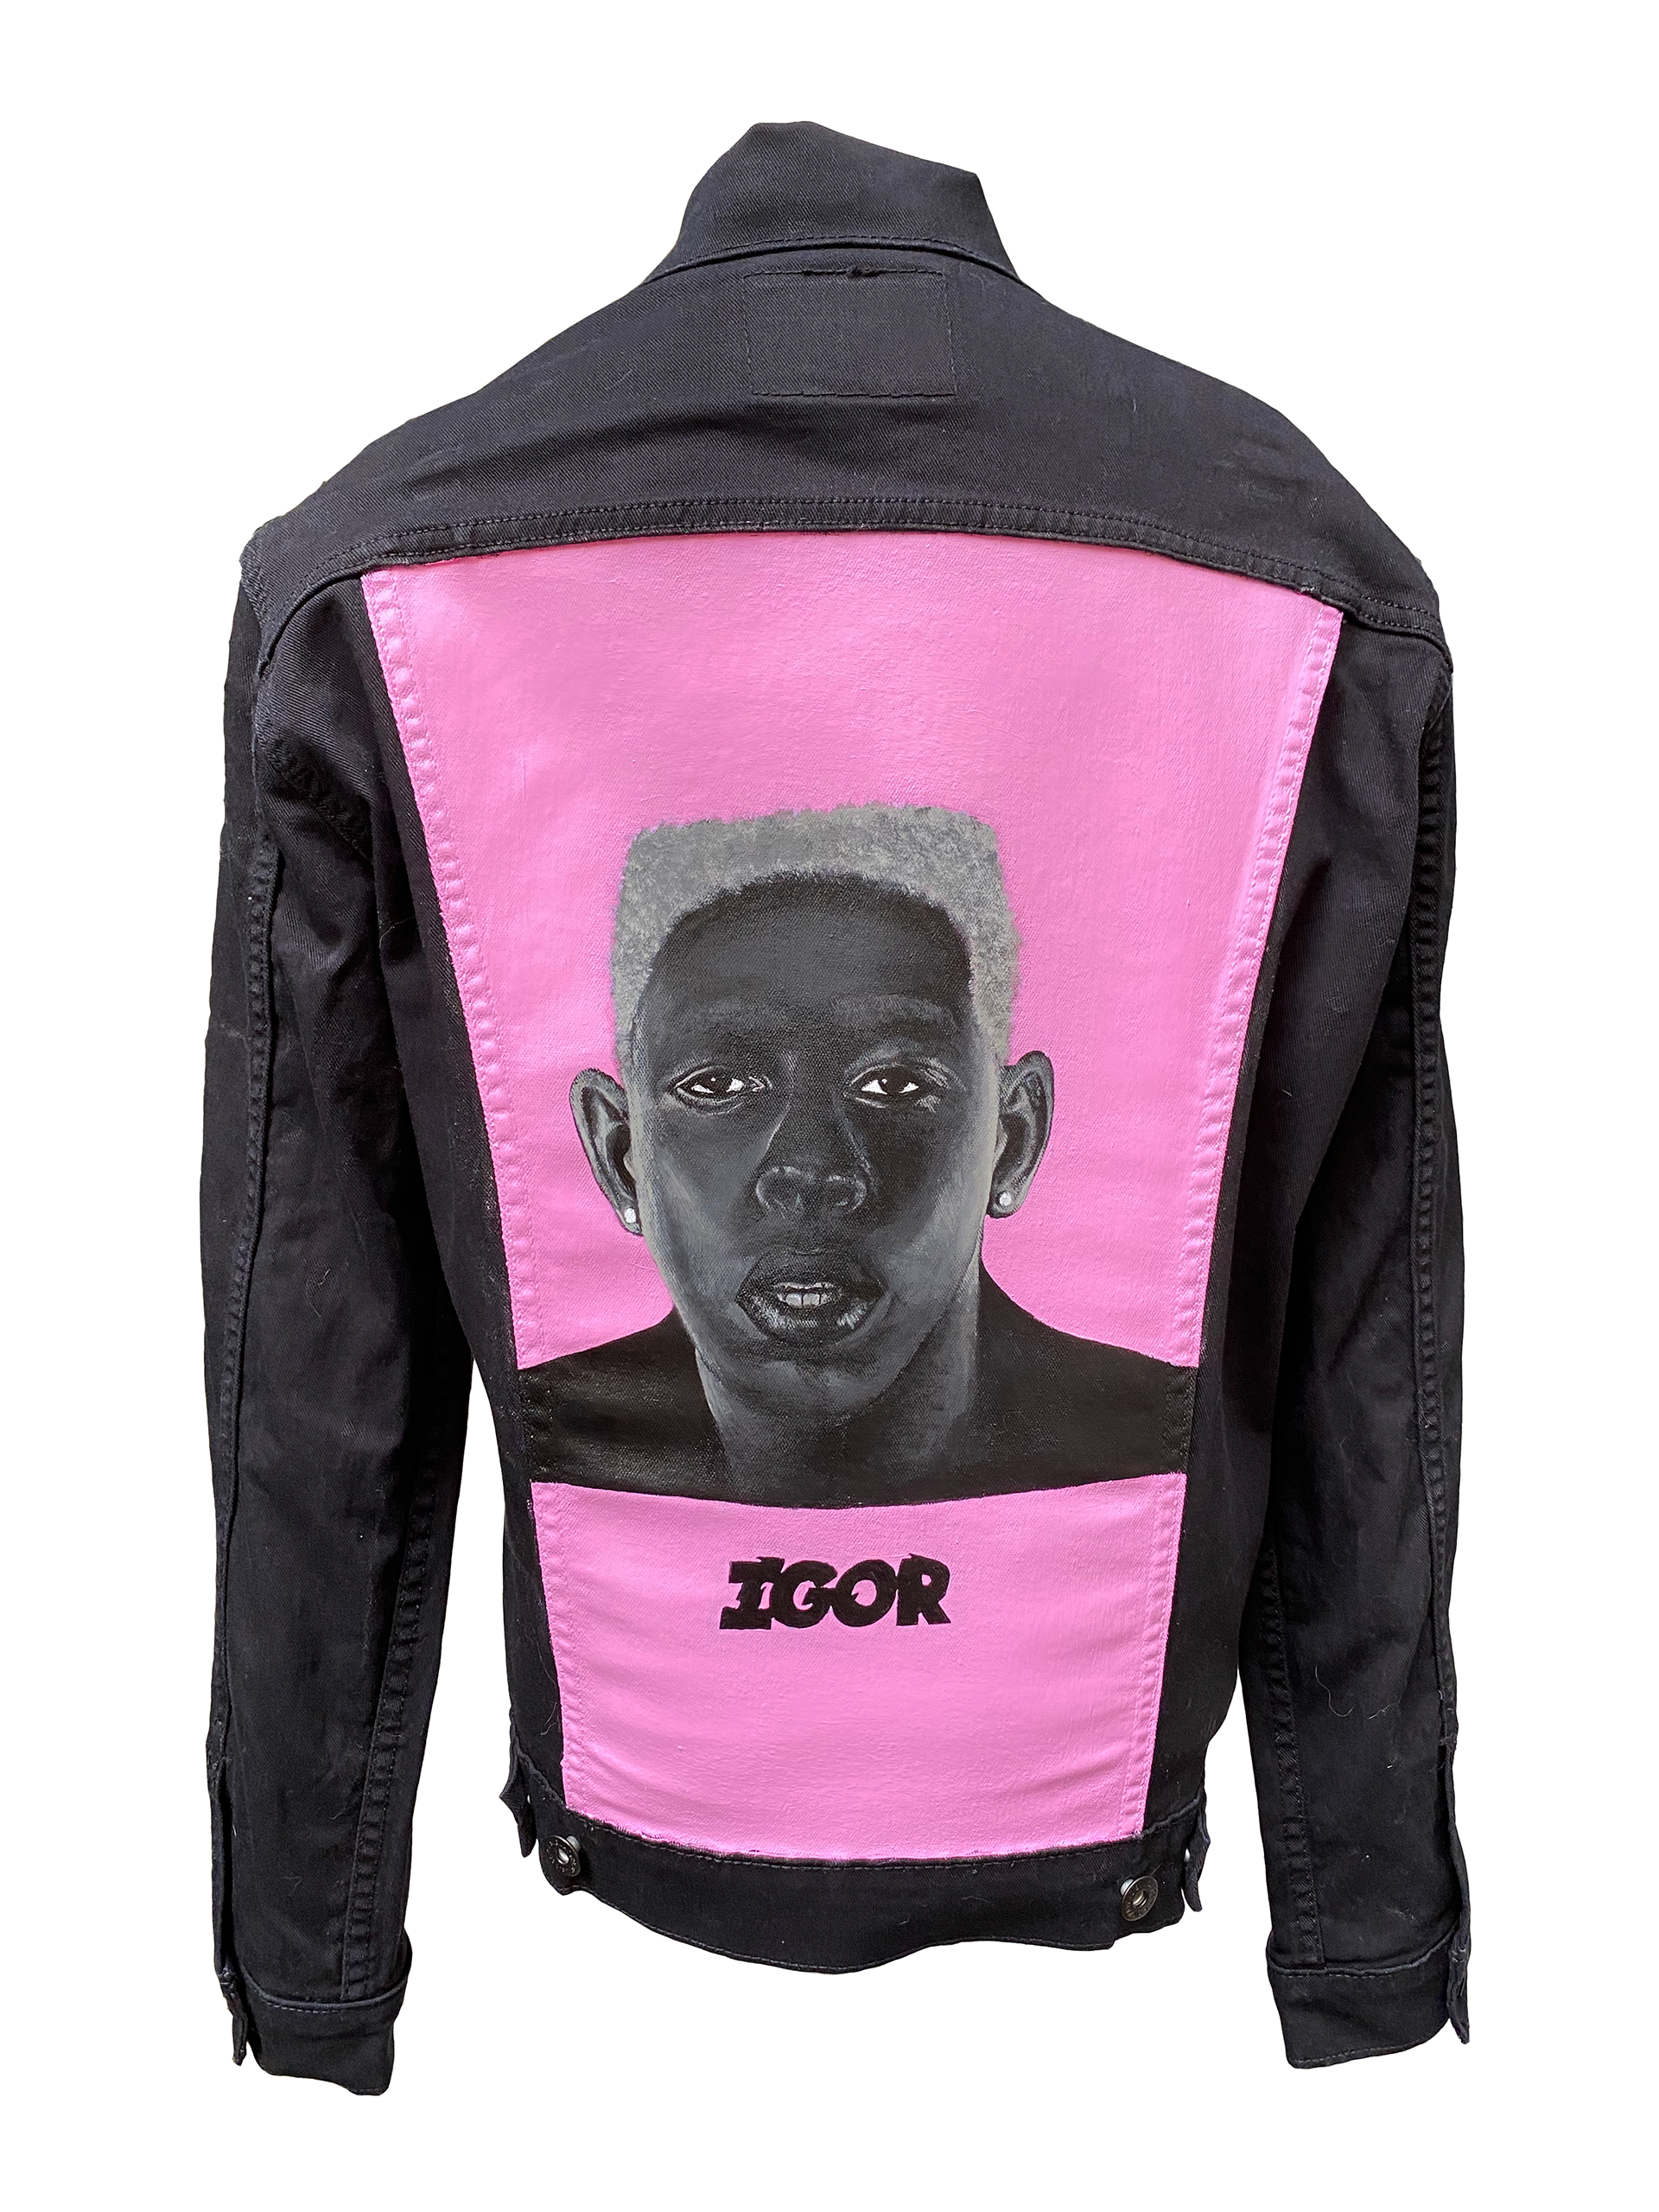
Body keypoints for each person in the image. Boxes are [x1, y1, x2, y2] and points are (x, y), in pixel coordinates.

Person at [544, 804, 1185, 1504]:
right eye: (719, 1086)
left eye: (895, 1084)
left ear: (1012, 1138)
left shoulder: (1158, 1451)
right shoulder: (546, 1447)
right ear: (620, 1152)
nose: (810, 1171)